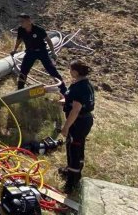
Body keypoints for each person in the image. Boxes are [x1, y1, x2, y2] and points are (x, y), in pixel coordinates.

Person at [59, 60, 95, 193]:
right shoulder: (84, 84)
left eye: (70, 69)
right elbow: (76, 101)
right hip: (84, 120)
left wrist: (66, 127)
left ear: (75, 71)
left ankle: (71, 182)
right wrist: (64, 102)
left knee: (73, 149)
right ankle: (74, 171)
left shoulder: (80, 87)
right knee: (79, 146)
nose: (69, 72)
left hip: (78, 122)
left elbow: (75, 110)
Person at [11, 13, 66, 94]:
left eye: (22, 21)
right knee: (23, 70)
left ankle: (63, 89)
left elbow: (48, 40)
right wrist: (14, 50)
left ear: (29, 21)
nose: (21, 23)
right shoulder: (21, 30)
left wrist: (53, 52)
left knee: (51, 70)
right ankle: (20, 90)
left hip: (41, 51)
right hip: (30, 52)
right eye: (20, 21)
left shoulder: (38, 29)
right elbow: (19, 40)